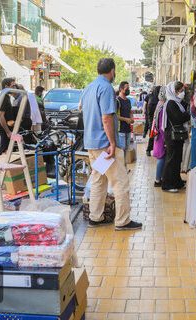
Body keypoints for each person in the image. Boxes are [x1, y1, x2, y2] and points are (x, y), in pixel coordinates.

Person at [80, 58, 142, 231]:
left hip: (91, 143)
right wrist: (113, 143)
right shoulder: (106, 88)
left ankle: (96, 217)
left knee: (99, 180)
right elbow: (106, 118)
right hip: (105, 145)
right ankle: (123, 221)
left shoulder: (89, 88)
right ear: (112, 71)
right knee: (120, 182)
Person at [161, 81, 190, 193]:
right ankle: (168, 184)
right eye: (180, 91)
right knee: (172, 159)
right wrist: (187, 115)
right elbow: (178, 118)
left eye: (182, 91)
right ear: (174, 91)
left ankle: (176, 181)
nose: (182, 93)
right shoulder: (171, 103)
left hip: (176, 135)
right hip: (172, 135)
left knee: (177, 159)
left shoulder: (176, 102)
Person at [116, 81, 134, 168]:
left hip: (128, 129)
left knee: (126, 149)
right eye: (126, 88)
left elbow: (130, 111)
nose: (128, 89)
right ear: (121, 89)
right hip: (120, 130)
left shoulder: (128, 101)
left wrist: (131, 118)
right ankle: (121, 168)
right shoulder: (117, 101)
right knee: (121, 150)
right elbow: (115, 116)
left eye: (128, 87)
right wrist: (126, 119)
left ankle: (124, 167)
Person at [152, 86, 167, 187]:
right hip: (161, 136)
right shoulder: (163, 107)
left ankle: (160, 178)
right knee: (161, 158)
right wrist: (166, 138)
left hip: (158, 136)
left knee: (161, 157)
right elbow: (162, 125)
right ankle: (157, 180)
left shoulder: (159, 104)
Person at [0, 77, 16, 155]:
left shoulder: (6, 97)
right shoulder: (4, 97)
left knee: (6, 148)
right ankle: (0, 166)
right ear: (6, 86)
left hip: (7, 126)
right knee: (4, 149)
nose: (14, 88)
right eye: (12, 86)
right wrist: (7, 131)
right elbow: (1, 116)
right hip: (4, 127)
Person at [146, 86, 161, 156]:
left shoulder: (156, 99)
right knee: (152, 136)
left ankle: (156, 149)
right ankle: (148, 150)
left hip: (157, 121)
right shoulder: (153, 100)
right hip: (153, 121)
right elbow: (150, 113)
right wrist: (151, 122)